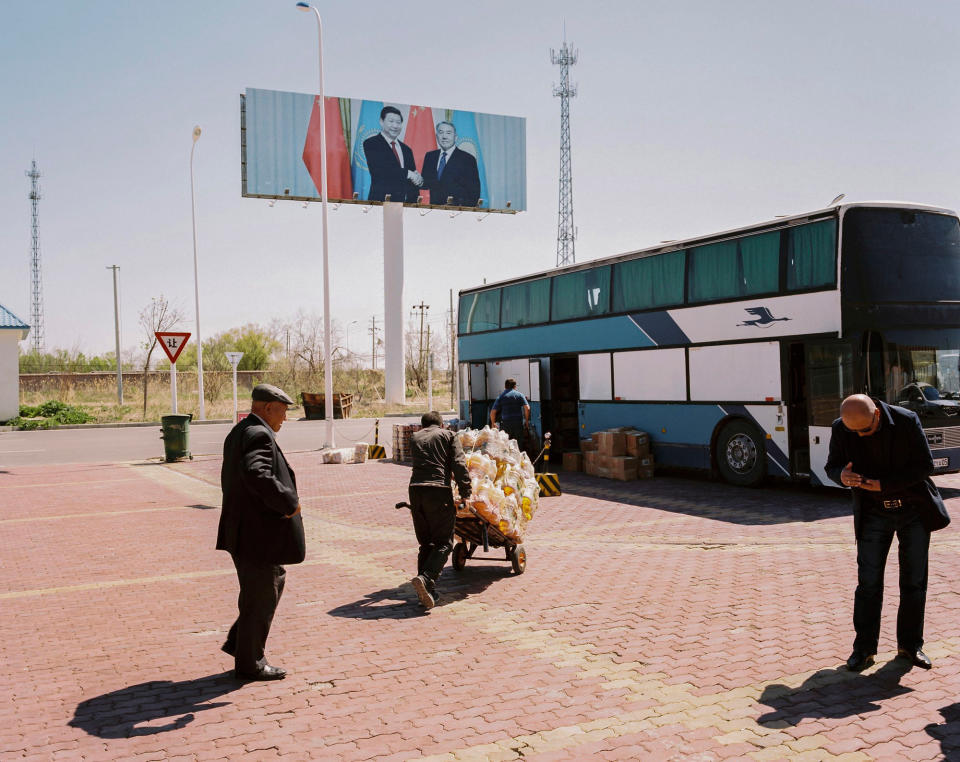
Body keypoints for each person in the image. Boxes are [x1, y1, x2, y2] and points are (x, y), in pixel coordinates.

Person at [825, 393, 950, 673]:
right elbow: (832, 465)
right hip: (872, 514)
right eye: (853, 431)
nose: (859, 434)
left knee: (914, 582)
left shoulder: (906, 421)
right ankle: (864, 650)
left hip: (913, 511)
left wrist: (885, 485)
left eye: (864, 429)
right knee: (868, 584)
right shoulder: (841, 427)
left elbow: (924, 466)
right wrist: (841, 477)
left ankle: (910, 646)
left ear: (877, 414)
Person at [216, 383, 304, 680]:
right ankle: (250, 661)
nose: (285, 419)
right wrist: (288, 503)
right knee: (262, 593)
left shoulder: (241, 430)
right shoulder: (258, 434)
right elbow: (258, 474)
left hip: (245, 531)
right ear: (268, 408)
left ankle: (240, 644)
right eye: (282, 411)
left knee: (266, 586)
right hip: (256, 534)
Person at [408, 411, 472, 610]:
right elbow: (459, 464)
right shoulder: (448, 435)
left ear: (423, 425)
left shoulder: (414, 437)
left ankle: (426, 591)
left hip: (415, 491)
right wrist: (465, 492)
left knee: (426, 543)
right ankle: (426, 579)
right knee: (444, 543)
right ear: (441, 424)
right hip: (438, 491)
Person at [363, 106, 422, 203]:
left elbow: (412, 179)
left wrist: (419, 180)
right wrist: (409, 174)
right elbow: (380, 171)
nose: (395, 126)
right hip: (382, 203)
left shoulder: (406, 149)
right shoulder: (371, 143)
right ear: (381, 122)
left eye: (398, 123)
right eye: (391, 121)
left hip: (406, 205)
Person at [420, 121, 481, 207]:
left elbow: (474, 194)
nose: (444, 136)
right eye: (441, 132)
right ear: (437, 137)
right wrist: (417, 179)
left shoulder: (468, 159)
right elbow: (425, 185)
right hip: (433, 210)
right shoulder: (430, 156)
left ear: (455, 137)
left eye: (448, 133)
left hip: (456, 212)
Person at [490, 378, 531, 445]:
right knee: (518, 446)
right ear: (515, 386)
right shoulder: (520, 395)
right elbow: (527, 408)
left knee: (506, 446)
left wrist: (493, 423)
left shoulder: (500, 397)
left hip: (505, 425)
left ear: (505, 386)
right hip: (518, 424)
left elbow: (493, 412)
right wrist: (526, 421)